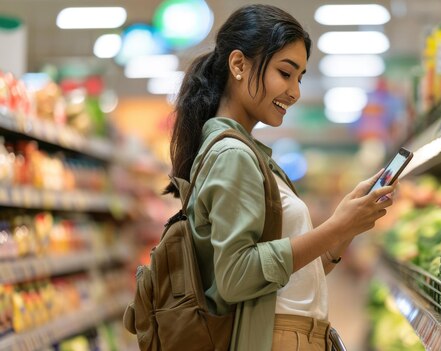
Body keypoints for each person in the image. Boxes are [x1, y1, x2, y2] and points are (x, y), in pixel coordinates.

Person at [164, 4, 395, 351]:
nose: (295, 92)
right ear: (239, 65)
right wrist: (333, 227)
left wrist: (344, 227)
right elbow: (236, 277)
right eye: (285, 73)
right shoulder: (233, 156)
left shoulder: (251, 156)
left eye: (299, 78)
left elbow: (287, 278)